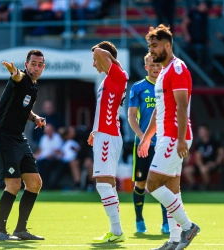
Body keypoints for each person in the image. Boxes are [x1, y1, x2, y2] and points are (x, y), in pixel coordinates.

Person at [137, 24, 200, 250]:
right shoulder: (163, 72)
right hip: (166, 136)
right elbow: (158, 111)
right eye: (149, 46)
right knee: (173, 190)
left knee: (152, 185)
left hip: (175, 136)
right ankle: (174, 240)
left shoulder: (178, 68)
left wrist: (182, 138)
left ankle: (188, 226)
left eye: (154, 46)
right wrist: (146, 138)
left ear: (167, 45)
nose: (151, 50)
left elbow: (182, 105)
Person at [0, 49, 46, 241]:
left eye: (40, 65)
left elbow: (25, 108)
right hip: (3, 136)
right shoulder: (21, 79)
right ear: (26, 64)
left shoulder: (33, 87)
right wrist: (14, 72)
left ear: (43, 67)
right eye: (33, 64)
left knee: (35, 183)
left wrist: (35, 117)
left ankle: (20, 230)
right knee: (13, 184)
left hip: (18, 138)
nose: (36, 67)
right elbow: (16, 77)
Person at [87, 41, 128, 243]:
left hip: (108, 135)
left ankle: (117, 231)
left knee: (102, 185)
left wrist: (101, 53)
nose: (94, 64)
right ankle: (116, 231)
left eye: (95, 60)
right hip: (104, 134)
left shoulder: (117, 74)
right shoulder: (109, 79)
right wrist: (95, 131)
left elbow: (101, 51)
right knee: (108, 184)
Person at [128, 53, 170, 234]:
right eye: (152, 65)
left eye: (158, 65)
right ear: (146, 67)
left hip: (162, 144)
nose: (156, 67)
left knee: (163, 184)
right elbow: (131, 117)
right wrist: (143, 137)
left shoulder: (167, 87)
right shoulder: (138, 87)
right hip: (143, 145)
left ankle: (165, 223)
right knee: (141, 183)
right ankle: (139, 220)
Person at [182, 124, 224, 190]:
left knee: (204, 170)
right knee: (187, 170)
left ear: (208, 132)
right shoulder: (198, 144)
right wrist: (201, 166)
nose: (202, 133)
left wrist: (216, 163)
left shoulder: (215, 142)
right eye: (200, 132)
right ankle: (194, 187)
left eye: (203, 131)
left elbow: (221, 153)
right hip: (201, 165)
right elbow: (197, 157)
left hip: (212, 164)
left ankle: (207, 187)